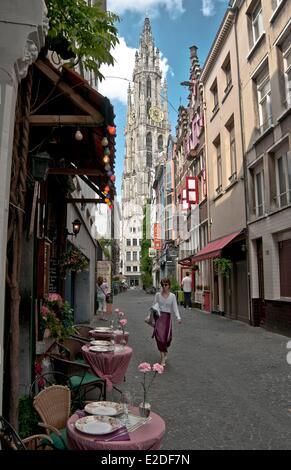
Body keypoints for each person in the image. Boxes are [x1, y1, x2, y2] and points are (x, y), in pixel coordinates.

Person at [152, 278, 182, 367]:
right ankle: (162, 358)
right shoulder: (157, 295)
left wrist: (178, 317)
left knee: (167, 339)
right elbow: (154, 306)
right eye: (163, 285)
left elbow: (175, 307)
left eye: (166, 285)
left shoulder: (172, 296)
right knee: (159, 338)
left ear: (169, 285)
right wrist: (151, 316)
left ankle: (165, 351)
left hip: (167, 318)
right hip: (159, 318)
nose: (164, 286)